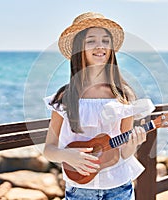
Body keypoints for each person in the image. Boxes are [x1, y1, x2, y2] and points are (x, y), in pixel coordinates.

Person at [43, 12, 154, 200]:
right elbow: (49, 149)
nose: (100, 46)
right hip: (79, 191)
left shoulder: (122, 95)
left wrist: (135, 143)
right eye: (91, 41)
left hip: (119, 188)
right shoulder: (66, 97)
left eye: (105, 40)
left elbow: (124, 153)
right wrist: (68, 156)